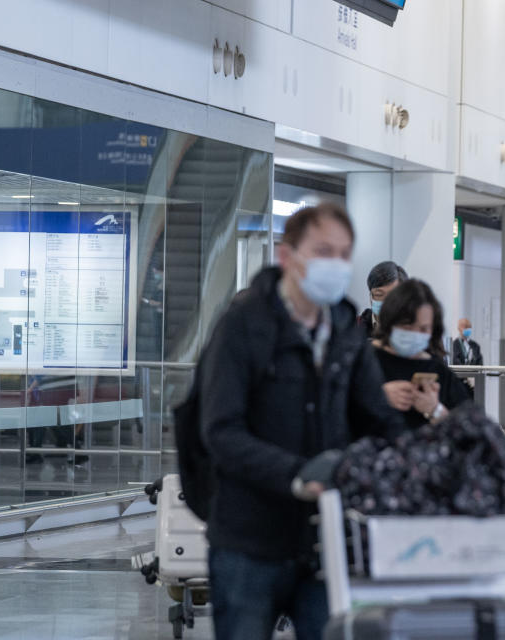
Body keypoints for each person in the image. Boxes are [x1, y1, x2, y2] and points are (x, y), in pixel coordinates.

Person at [199, 204, 404, 640]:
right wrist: (295, 475)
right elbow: (221, 430)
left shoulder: (346, 330)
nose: (336, 263)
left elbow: (379, 419)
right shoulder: (242, 325)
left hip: (326, 543)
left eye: (344, 253)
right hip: (249, 541)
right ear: (287, 255)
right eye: (323, 250)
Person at [373, 279, 471, 430]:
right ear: (390, 322)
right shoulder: (366, 360)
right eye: (407, 325)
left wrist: (435, 409)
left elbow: (467, 431)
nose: (415, 334)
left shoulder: (438, 371)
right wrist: (378, 397)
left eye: (424, 329)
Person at [358, 260, 408, 333]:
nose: (386, 302)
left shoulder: (413, 330)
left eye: (393, 296)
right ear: (371, 297)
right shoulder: (355, 327)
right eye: (379, 295)